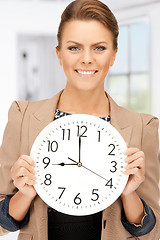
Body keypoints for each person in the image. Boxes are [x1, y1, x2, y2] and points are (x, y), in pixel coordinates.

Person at [0, 0, 160, 239]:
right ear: (59, 54)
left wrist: (128, 194)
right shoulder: (22, 117)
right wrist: (26, 193)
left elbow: (153, 233)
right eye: (74, 48)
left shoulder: (143, 127)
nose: (86, 59)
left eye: (99, 48)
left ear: (114, 55)